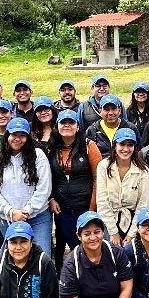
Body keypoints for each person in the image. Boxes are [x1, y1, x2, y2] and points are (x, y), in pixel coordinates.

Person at [0, 117, 53, 250]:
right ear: (7, 135)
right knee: (16, 256)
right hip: (8, 219)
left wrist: (27, 211)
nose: (17, 139)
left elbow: (44, 188)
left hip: (37, 217)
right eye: (14, 135)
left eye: (22, 135)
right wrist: (10, 211)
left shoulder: (38, 156)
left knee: (42, 255)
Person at [47, 110, 102, 263]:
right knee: (66, 241)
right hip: (61, 207)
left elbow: (98, 178)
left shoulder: (88, 146)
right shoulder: (52, 148)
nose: (67, 126)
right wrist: (50, 198)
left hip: (84, 205)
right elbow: (47, 177)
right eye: (63, 123)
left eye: (71, 122)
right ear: (57, 126)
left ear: (78, 126)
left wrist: (92, 207)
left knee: (84, 246)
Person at [94, 127, 149, 248]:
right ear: (115, 145)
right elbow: (102, 201)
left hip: (133, 222)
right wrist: (113, 232)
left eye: (130, 145)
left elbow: (143, 205)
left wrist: (131, 235)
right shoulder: (104, 166)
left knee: (130, 253)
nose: (125, 149)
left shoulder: (143, 171)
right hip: (108, 220)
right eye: (122, 144)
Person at [84, 93, 135, 158]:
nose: (110, 113)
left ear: (119, 110)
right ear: (100, 111)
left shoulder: (130, 128)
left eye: (114, 109)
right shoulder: (92, 130)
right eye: (106, 109)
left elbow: (138, 152)